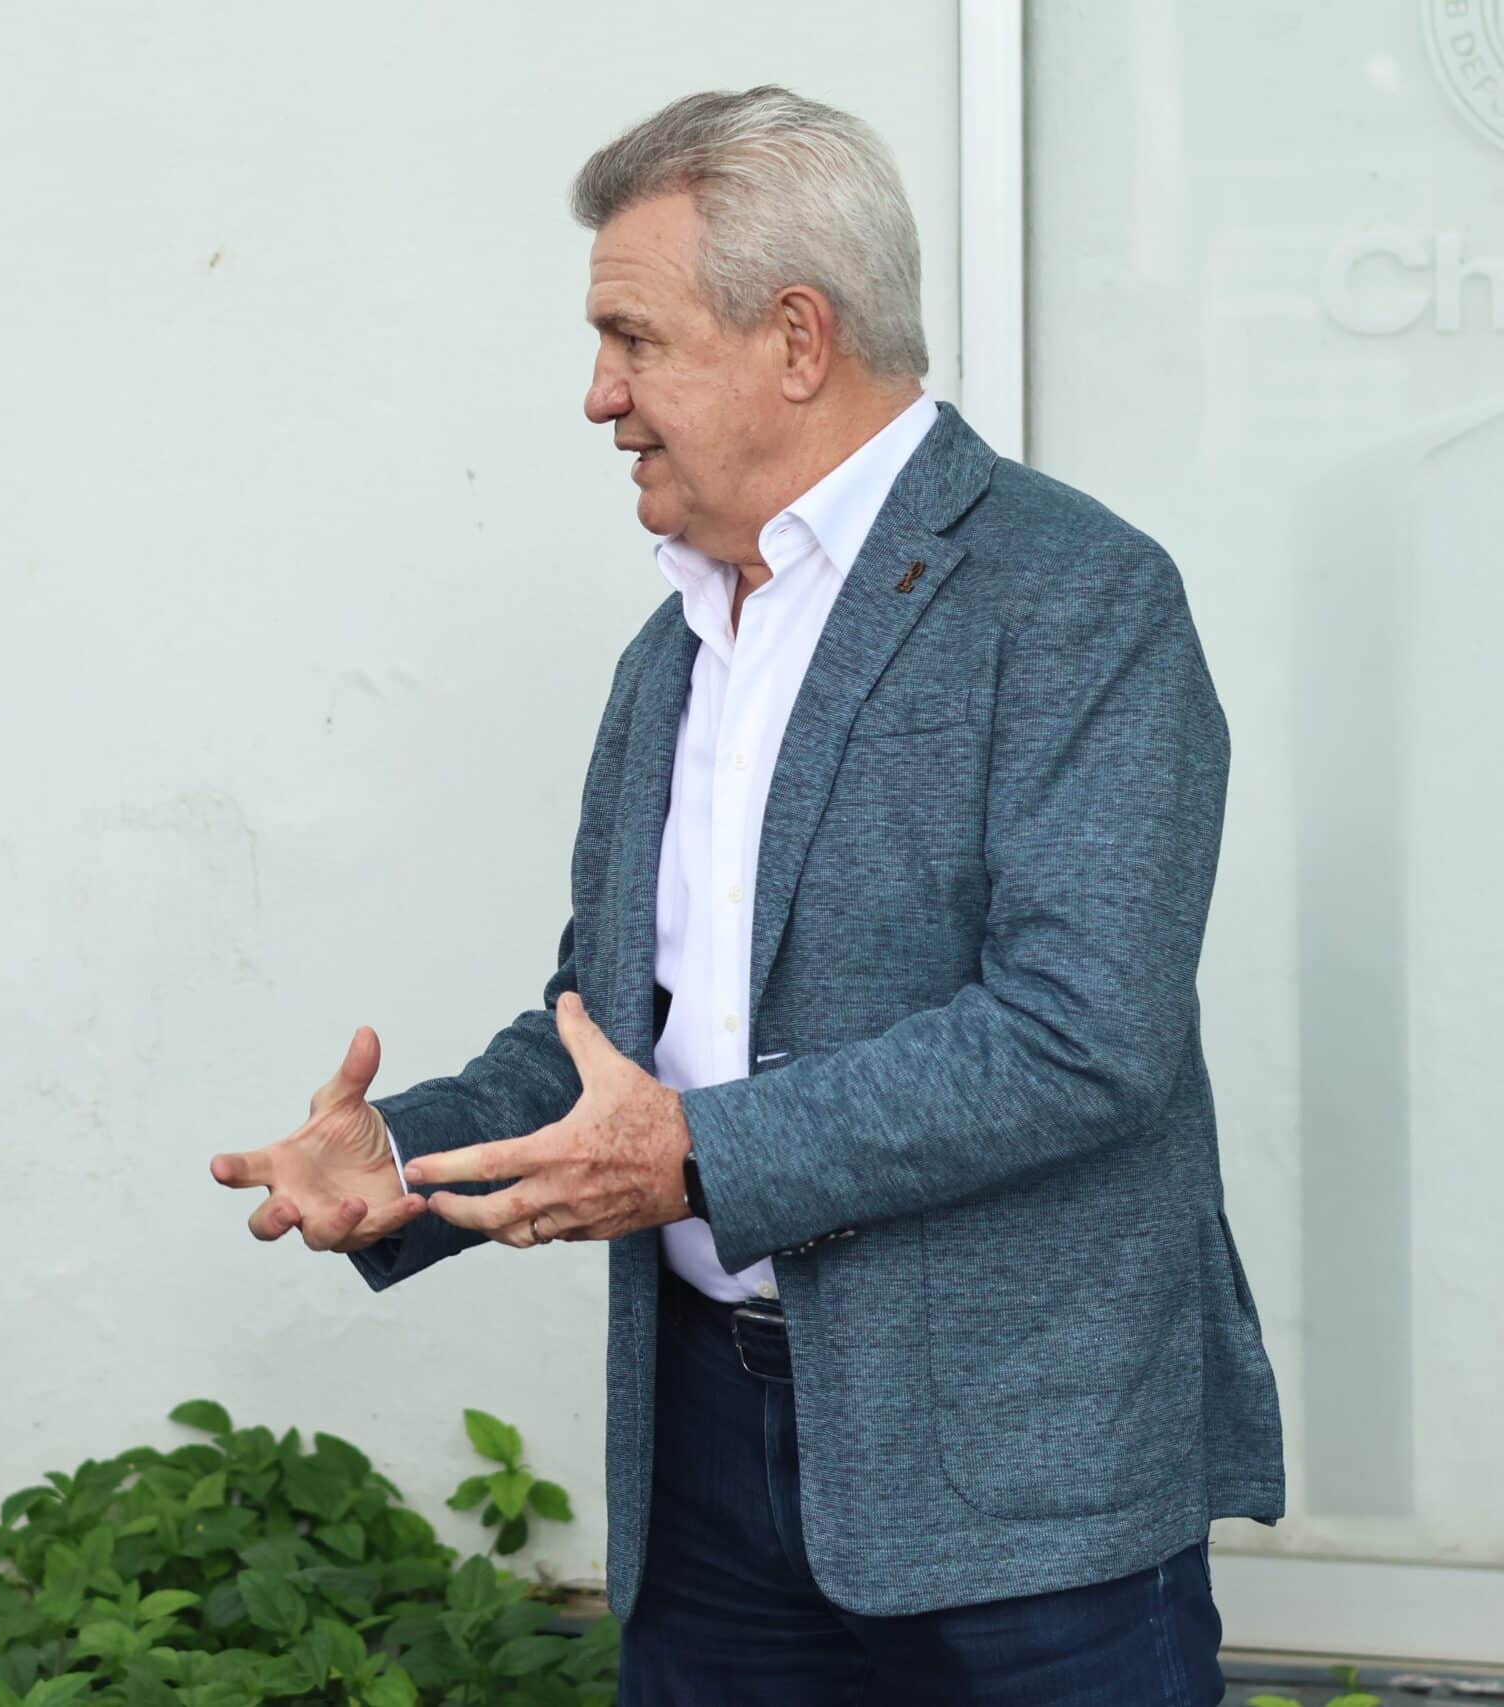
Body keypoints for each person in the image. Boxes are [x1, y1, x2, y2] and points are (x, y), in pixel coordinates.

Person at [211, 86, 1285, 1705]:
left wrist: (699, 1155)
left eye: (632, 338)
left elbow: (1084, 1036)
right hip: (706, 1466)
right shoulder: (676, 643)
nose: (597, 397)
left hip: (1019, 1494)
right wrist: (405, 1165)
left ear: (796, 336)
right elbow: (611, 1034)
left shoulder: (1080, 599)